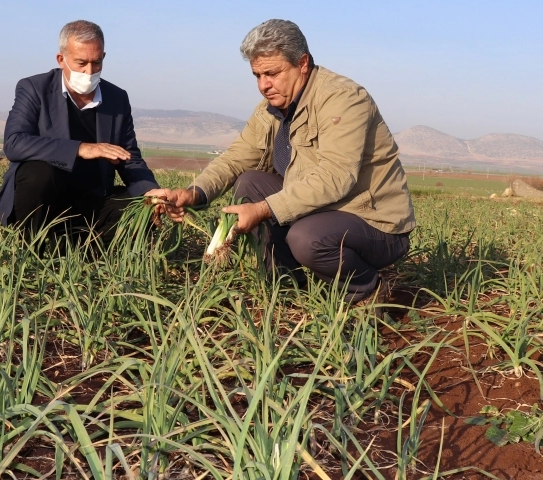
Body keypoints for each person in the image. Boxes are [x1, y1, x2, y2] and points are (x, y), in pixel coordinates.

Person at [165, 19, 415, 303]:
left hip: (372, 222)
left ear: (303, 63)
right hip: (320, 213)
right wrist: (194, 192)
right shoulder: (271, 109)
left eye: (272, 73)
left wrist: (262, 209)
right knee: (250, 182)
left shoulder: (343, 99)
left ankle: (367, 290)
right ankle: (288, 288)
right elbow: (236, 158)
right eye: (257, 75)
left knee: (306, 237)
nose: (264, 85)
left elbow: (335, 177)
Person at [0, 20, 166, 244]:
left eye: (96, 63)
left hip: (92, 199)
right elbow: (14, 143)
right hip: (46, 198)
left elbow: (128, 156)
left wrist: (149, 191)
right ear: (61, 59)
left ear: (103, 57)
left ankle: (79, 251)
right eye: (81, 63)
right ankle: (31, 246)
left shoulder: (116, 98)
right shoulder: (34, 89)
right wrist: (80, 149)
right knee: (39, 172)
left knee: (139, 211)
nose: (89, 71)